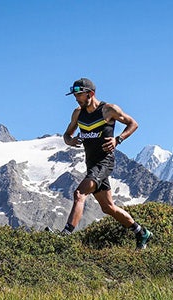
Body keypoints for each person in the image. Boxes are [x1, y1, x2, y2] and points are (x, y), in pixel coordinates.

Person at [62, 78, 153, 249]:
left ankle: (65, 235)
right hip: (91, 164)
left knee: (79, 194)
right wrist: (71, 141)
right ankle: (142, 233)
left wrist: (118, 139)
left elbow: (133, 123)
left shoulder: (108, 110)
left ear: (91, 94)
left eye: (79, 95)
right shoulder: (77, 113)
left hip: (104, 162)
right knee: (108, 207)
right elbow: (67, 135)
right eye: (75, 95)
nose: (76, 98)